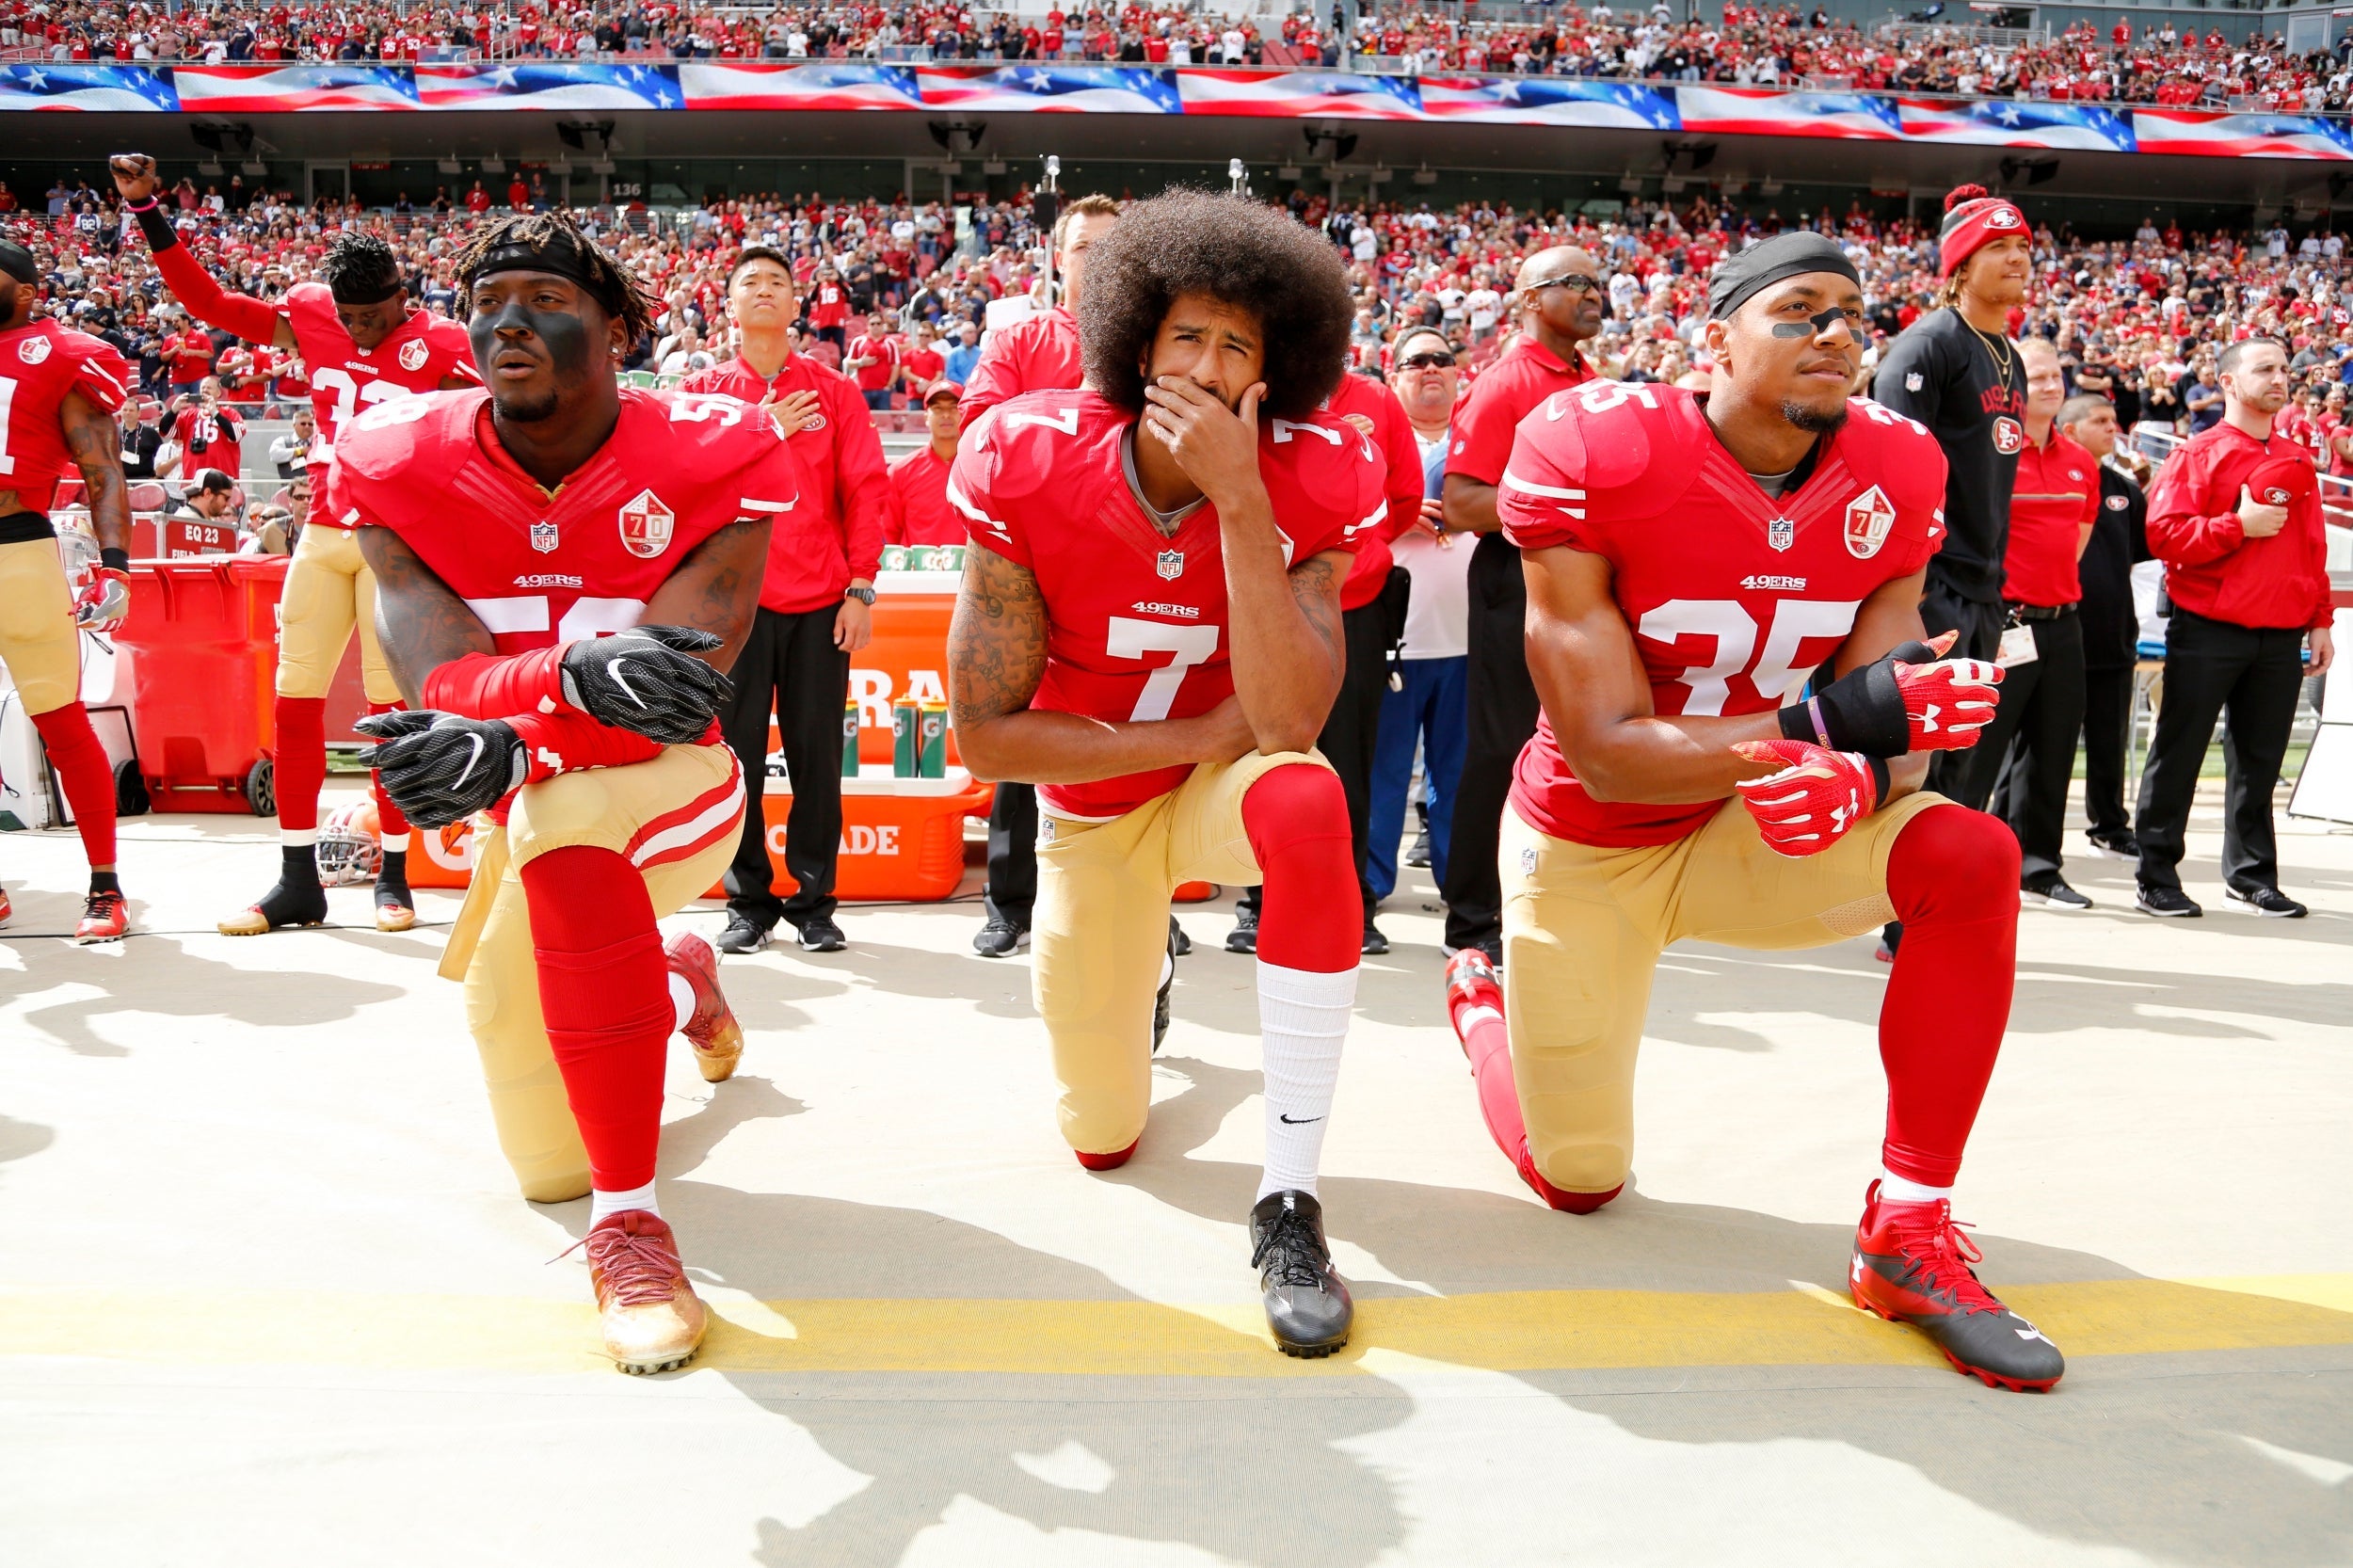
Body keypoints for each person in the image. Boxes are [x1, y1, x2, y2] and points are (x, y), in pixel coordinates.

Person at [1449, 232, 2059, 1393]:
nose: (1834, 332)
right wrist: (1828, 735)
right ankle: (1479, 1007)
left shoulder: (1898, 464)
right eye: (1796, 310)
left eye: (1849, 313)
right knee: (1577, 1180)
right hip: (1595, 839)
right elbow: (1610, 753)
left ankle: (1908, 1230)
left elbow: (1895, 715)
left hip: (1750, 826)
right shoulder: (1593, 443)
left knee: (1969, 854)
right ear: (1711, 336)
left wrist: (1870, 774)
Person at [347, 209, 792, 1374]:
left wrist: (513, 728)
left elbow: (670, 694)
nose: (508, 321)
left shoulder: (714, 443)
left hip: (670, 788)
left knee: (567, 827)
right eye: (488, 300)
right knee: (543, 1151)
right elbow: (433, 670)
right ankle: (673, 975)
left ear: (619, 328)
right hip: (531, 796)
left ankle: (630, 1222)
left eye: (545, 298)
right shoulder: (399, 454)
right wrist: (551, 690)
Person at [945, 191, 1383, 1357]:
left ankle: (1288, 1198)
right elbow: (984, 737)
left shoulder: (1315, 474)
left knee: (1307, 794)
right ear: (1135, 344)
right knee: (1100, 1134)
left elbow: (1286, 724)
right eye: (1187, 333)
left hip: (1219, 800)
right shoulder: (1028, 454)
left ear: (1273, 372)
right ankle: (1138, 981)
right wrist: (1192, 737)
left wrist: (1241, 496)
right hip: (1092, 813)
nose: (1206, 362)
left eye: (1238, 344)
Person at [112, 151, 479, 939]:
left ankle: (393, 874)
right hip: (323, 529)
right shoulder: (314, 311)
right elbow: (206, 300)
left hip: (395, 544)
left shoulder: (444, 343)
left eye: (372, 318)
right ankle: (295, 876)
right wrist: (147, 208)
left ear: (402, 300)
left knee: (391, 710)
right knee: (294, 696)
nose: (357, 329)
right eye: (347, 317)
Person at [681, 247, 887, 955]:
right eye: (750, 284)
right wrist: (763, 427)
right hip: (734, 610)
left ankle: (815, 900)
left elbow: (866, 492)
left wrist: (861, 586)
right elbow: (691, 487)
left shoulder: (835, 392)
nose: (764, 292)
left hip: (818, 604)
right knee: (734, 760)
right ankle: (748, 900)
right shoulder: (705, 392)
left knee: (815, 759)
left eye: (777, 283)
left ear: (798, 306)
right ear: (728, 306)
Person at [1867, 184, 2031, 959]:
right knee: (1915, 753)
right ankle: (1900, 917)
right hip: (1930, 584)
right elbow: (1888, 462)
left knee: (1966, 752)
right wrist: (1910, 582)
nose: (2018, 260)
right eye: (2000, 248)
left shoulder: (2010, 358)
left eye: (2024, 247)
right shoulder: (1928, 345)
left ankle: (1930, 910)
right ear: (1960, 265)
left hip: (1985, 587)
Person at [960, 193, 1119, 960]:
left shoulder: (1154, 343)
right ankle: (1009, 901)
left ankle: (1147, 901)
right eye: (1083, 246)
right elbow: (979, 429)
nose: (1096, 258)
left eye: (1110, 247)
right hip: (1028, 566)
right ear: (1058, 258)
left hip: (1121, 566)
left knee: (1127, 732)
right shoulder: (1023, 339)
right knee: (1018, 728)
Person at [1437, 245, 1602, 968]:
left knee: (1572, 743)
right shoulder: (1508, 381)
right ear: (1530, 299)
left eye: (1598, 283)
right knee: (1501, 748)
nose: (1594, 293)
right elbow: (1463, 499)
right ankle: (1474, 921)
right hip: (1517, 575)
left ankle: (1547, 897)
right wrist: (1560, 510)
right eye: (1575, 283)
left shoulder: (1586, 379)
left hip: (1580, 580)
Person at [2133, 337, 2336, 919]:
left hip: (2281, 633)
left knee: (2260, 762)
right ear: (2226, 382)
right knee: (2180, 753)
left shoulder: (2297, 459)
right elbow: (2165, 537)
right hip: (2209, 629)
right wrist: (2237, 526)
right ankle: (2156, 875)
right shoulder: (2197, 454)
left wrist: (2319, 621)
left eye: (2284, 369)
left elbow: (2310, 549)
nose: (2281, 377)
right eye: (2264, 368)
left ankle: (2250, 876)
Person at [1225, 360, 1417, 956]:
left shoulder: (1378, 400)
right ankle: (1258, 902)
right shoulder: (1254, 390)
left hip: (1351, 601)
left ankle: (1350, 903)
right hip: (1259, 598)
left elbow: (1404, 499)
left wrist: (1352, 551)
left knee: (1348, 761)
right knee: (1260, 752)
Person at [0, 238, 138, 942]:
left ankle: (105, 888)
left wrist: (115, 562)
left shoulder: (57, 352)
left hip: (17, 549)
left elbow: (103, 470)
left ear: (26, 291)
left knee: (60, 720)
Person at [1948, 338, 2099, 906]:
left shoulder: (2082, 461)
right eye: (2036, 377)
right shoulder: (1988, 456)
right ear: (2011, 387)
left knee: (2053, 750)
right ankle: (1955, 868)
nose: (2051, 385)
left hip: (2061, 623)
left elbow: (2075, 545)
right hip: (2001, 624)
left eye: (2057, 376)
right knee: (1978, 754)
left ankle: (2037, 865)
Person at [1368, 328, 1469, 911]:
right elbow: (1339, 514)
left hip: (1467, 639)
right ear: (1395, 374)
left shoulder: (1480, 439)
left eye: (1442, 360)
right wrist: (1397, 516)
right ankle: (1371, 888)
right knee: (1382, 776)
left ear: (1458, 374)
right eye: (1417, 361)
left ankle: (1464, 892)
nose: (1431, 369)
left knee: (1458, 776)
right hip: (1394, 639)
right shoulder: (1377, 438)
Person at [2057, 392, 2150, 861]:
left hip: (2112, 633)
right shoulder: (2046, 482)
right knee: (2039, 743)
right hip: (2054, 632)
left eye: (2114, 420)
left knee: (2110, 739)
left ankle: (2110, 826)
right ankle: (2018, 830)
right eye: (2100, 420)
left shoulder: (2124, 489)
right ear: (2070, 430)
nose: (2112, 427)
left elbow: (2135, 555)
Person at [884, 378, 963, 546]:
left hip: (970, 571)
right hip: (918, 571)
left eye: (953, 407)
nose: (946, 415)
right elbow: (890, 532)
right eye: (938, 408)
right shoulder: (900, 471)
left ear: (964, 412)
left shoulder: (981, 472)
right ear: (926, 416)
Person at [843, 311, 900, 411]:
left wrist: (889, 385)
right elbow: (848, 363)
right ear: (867, 325)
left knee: (884, 422)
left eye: (878, 323)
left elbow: (895, 366)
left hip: (883, 391)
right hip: (863, 390)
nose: (875, 326)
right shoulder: (859, 341)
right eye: (872, 324)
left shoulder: (890, 343)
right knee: (863, 422)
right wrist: (861, 362)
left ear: (883, 325)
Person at [269, 406, 314, 477]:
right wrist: (300, 451)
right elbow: (274, 455)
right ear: (294, 425)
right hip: (289, 486)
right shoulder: (283, 441)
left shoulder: (318, 442)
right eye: (303, 424)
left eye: (310, 424)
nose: (307, 426)